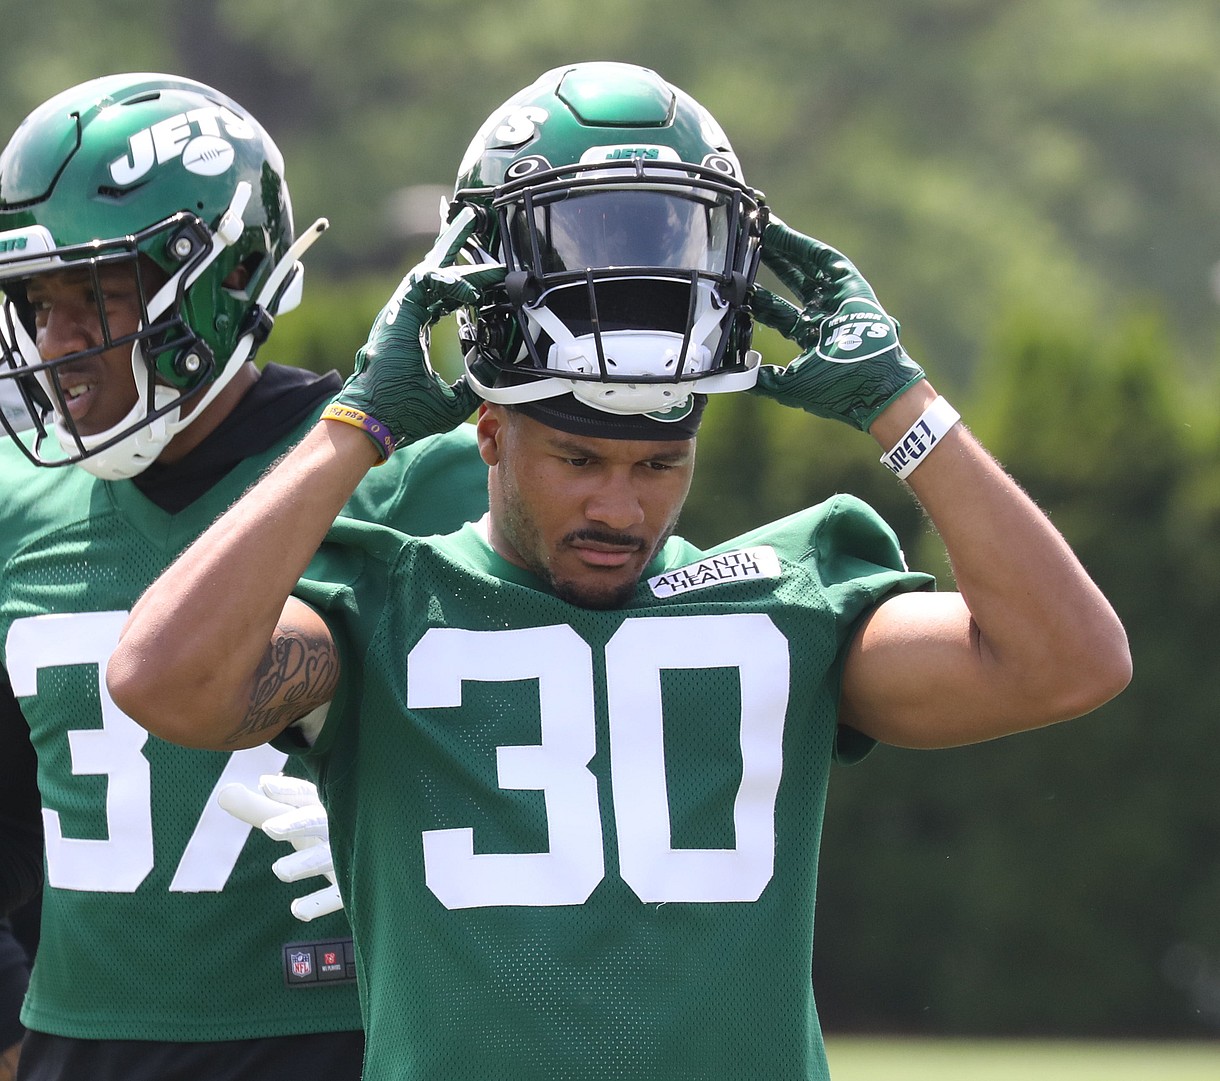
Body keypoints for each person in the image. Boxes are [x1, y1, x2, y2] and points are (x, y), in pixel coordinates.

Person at [107, 61, 1132, 1081]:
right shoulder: (382, 607)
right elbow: (158, 676)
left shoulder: (783, 602)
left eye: (658, 465)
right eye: (576, 460)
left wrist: (900, 404)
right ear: (490, 435)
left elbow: (1067, 663)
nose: (618, 507)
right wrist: (352, 430)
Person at [0, 73, 488, 1081]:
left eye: (93, 296)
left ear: (222, 282)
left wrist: (406, 830)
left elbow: (570, 770)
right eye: (36, 306)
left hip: (342, 1047)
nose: (57, 348)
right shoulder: (14, 505)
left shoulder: (413, 478)